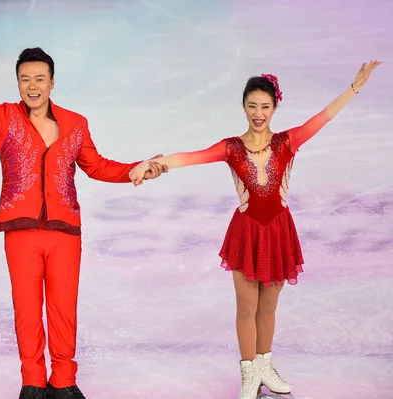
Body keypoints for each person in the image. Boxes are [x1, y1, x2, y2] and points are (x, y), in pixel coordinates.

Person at [0, 15, 167, 399]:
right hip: (20, 232)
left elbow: (96, 166)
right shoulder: (3, 119)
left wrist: (135, 169)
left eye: (39, 79)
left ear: (52, 82)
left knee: (64, 311)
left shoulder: (75, 124)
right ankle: (33, 383)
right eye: (25, 79)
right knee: (28, 312)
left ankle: (63, 382)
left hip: (65, 232)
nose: (32, 86)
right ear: (18, 83)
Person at [130, 60, 381, 399]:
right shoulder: (231, 147)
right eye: (252, 106)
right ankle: (249, 370)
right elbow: (192, 157)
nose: (258, 113)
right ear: (244, 107)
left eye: (265, 106)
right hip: (247, 232)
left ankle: (265, 364)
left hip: (278, 232)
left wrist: (354, 88)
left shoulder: (287, 142)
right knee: (247, 308)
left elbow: (322, 118)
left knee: (268, 308)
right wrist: (154, 163)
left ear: (275, 107)